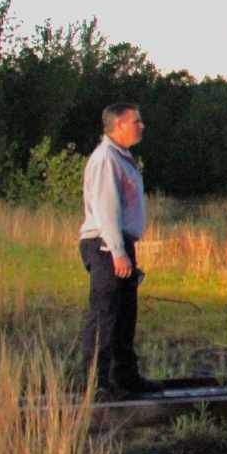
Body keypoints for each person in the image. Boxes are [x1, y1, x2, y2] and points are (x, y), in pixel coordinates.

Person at [79, 102, 157, 396]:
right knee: (106, 314)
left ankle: (124, 378)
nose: (141, 125)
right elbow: (106, 208)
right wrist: (117, 251)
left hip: (118, 242)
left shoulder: (122, 157)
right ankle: (94, 385)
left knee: (125, 314)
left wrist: (123, 248)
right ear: (118, 126)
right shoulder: (105, 159)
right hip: (104, 243)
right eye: (136, 121)